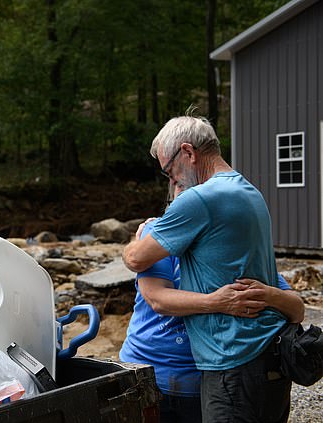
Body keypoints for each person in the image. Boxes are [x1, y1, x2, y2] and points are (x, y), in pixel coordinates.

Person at [122, 115, 299, 423]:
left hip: (232, 363)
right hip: (271, 357)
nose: (173, 183)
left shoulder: (201, 199)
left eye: (170, 172)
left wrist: (137, 237)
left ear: (188, 153)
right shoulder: (249, 192)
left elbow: (137, 259)